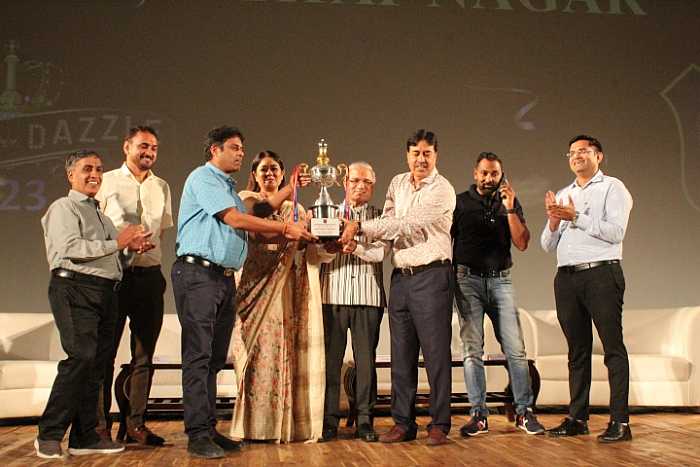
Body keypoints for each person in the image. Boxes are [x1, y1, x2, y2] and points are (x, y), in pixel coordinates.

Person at [172, 127, 313, 459]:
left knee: (213, 359)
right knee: (199, 357)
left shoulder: (227, 187)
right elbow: (236, 219)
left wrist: (291, 187)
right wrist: (285, 227)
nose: (240, 153)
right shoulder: (203, 178)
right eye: (234, 148)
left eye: (241, 148)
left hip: (221, 278)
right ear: (214, 150)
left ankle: (208, 429)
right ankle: (197, 434)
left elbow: (259, 211)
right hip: (198, 275)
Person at [341, 129, 455, 446]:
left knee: (435, 355)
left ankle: (440, 424)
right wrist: (357, 246)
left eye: (427, 153)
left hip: (432, 275)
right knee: (401, 356)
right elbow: (387, 234)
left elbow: (407, 224)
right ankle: (403, 423)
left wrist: (358, 226)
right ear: (407, 155)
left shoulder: (442, 189)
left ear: (436, 155)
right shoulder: (397, 183)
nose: (421, 159)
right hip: (401, 278)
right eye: (416, 153)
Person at [36, 150, 152, 459]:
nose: (95, 175)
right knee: (81, 357)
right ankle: (49, 433)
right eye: (87, 168)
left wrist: (131, 248)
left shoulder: (102, 216)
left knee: (96, 366)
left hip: (106, 292)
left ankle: (85, 436)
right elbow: (70, 248)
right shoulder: (63, 207)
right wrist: (118, 242)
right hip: (75, 288)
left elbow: (111, 258)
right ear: (70, 175)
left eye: (99, 169)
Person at [541, 134, 633, 443]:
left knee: (612, 348)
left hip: (601, 274)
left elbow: (616, 232)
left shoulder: (612, 188)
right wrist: (554, 221)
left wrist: (576, 217)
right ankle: (577, 418)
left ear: (598, 156)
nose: (576, 156)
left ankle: (620, 422)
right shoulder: (564, 193)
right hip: (567, 278)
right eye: (571, 152)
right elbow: (546, 245)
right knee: (577, 351)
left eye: (583, 151)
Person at [229, 150, 324, 443]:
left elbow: (306, 247)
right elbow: (258, 231)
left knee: (284, 350)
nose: (269, 174)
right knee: (256, 353)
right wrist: (291, 224)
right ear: (255, 175)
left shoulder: (297, 209)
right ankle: (254, 427)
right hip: (256, 287)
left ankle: (285, 427)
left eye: (275, 169)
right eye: (264, 169)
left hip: (286, 288)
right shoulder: (245, 199)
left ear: (282, 173)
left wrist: (325, 238)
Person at [452, 152, 545, 437]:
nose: (489, 178)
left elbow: (522, 243)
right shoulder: (460, 202)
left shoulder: (510, 202)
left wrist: (510, 208)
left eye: (494, 173)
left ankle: (524, 412)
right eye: (484, 173)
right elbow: (446, 239)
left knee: (516, 350)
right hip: (467, 281)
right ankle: (478, 415)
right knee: (472, 350)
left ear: (501, 176)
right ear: (475, 174)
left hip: (501, 281)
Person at [95, 125, 172, 446]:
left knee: (144, 356)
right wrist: (124, 245)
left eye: (153, 148)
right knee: (105, 354)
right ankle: (99, 426)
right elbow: (95, 229)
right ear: (126, 147)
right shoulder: (106, 181)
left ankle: (135, 424)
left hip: (149, 277)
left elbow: (161, 229)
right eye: (143, 146)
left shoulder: (161, 186)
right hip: (115, 277)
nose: (149, 152)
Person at [318, 161, 388, 443]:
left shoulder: (380, 217)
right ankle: (328, 421)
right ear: (344, 182)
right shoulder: (327, 212)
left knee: (365, 363)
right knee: (330, 363)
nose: (361, 186)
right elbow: (318, 256)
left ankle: (365, 420)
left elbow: (380, 253)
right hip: (332, 296)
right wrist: (331, 249)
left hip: (368, 297)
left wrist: (355, 246)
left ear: (373, 185)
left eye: (367, 182)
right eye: (356, 180)